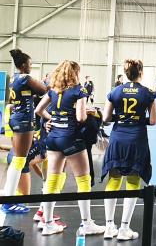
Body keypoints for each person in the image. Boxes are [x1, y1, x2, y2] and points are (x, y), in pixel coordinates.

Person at [34, 60, 104, 236]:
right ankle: (87, 223)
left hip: (53, 139)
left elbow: (38, 110)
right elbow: (80, 117)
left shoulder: (53, 90)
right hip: (70, 138)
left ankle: (48, 223)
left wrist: (53, 119)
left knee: (52, 180)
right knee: (84, 180)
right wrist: (91, 112)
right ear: (75, 73)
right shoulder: (79, 90)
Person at [101, 59, 156, 241]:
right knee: (133, 180)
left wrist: (122, 117)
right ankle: (124, 228)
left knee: (114, 179)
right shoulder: (147, 93)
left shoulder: (115, 91)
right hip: (136, 139)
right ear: (141, 72)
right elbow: (153, 120)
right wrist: (137, 118)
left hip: (118, 139)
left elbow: (106, 118)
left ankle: (109, 226)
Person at [3, 49, 47, 202]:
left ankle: (9, 196)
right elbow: (44, 90)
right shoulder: (26, 78)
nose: (31, 66)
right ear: (23, 65)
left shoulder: (14, 79)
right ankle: (8, 201)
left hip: (16, 119)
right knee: (19, 160)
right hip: (24, 121)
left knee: (17, 159)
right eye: (29, 64)